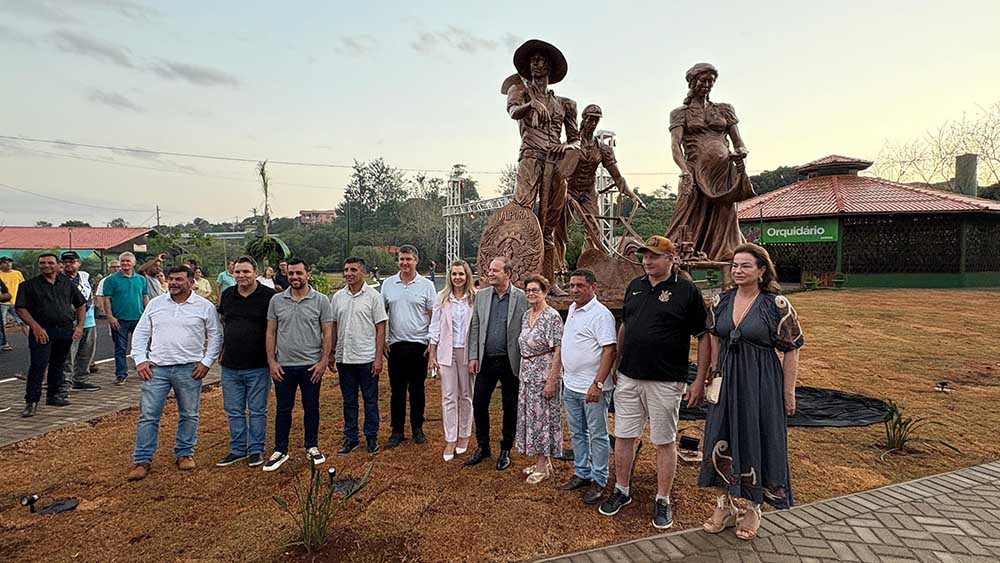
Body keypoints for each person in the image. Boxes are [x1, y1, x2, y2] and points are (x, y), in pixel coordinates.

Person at [687, 243, 803, 540]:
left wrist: (788, 392)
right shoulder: (721, 301)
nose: (738, 271)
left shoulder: (775, 305)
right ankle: (724, 504)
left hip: (761, 381)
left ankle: (754, 507)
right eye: (735, 266)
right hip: (726, 380)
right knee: (720, 435)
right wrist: (713, 368)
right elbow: (713, 334)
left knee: (758, 436)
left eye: (745, 266)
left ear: (762, 270)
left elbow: (792, 349)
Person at [598, 235, 711, 530]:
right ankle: (621, 489)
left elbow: (704, 336)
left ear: (671, 258)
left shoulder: (686, 290)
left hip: (665, 381)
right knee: (623, 436)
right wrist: (616, 362)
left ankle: (662, 498)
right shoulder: (635, 287)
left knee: (663, 441)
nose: (647, 261)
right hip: (629, 378)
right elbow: (626, 326)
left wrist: (699, 380)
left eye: (654, 256)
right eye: (645, 256)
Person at [126, 266, 223, 481]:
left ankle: (185, 453)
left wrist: (207, 362)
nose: (174, 283)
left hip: (189, 369)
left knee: (189, 413)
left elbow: (216, 336)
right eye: (171, 279)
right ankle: (142, 460)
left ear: (190, 282)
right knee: (148, 416)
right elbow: (142, 332)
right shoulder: (156, 304)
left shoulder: (204, 306)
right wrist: (140, 360)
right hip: (157, 369)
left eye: (179, 279)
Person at [506, 39, 579, 292]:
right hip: (530, 156)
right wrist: (530, 105)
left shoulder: (566, 104)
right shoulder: (520, 91)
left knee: (549, 222)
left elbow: (576, 140)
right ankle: (516, 277)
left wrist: (568, 147)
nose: (536, 64)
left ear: (549, 67)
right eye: (533, 61)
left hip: (555, 162)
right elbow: (513, 111)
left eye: (541, 61)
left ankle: (548, 281)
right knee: (522, 213)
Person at [665, 63, 755, 262]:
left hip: (723, 169)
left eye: (710, 82)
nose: (707, 85)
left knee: (725, 210)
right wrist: (684, 170)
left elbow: (739, 142)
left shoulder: (724, 109)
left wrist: (740, 152)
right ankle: (672, 252)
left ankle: (725, 251)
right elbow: (675, 146)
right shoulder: (680, 113)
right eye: (703, 81)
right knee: (687, 209)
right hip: (694, 168)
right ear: (692, 82)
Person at [263, 259, 333, 471]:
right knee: (283, 408)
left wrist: (323, 361)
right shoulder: (277, 300)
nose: (295, 277)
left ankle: (311, 446)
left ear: (307, 274)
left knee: (311, 408)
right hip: (284, 365)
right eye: (291, 273)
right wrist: (272, 362)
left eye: (299, 273)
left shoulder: (321, 300)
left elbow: (328, 332)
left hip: (311, 365)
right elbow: (271, 332)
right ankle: (280, 450)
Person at [558, 269, 618, 505]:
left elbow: (609, 350)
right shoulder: (573, 309)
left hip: (592, 388)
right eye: (571, 285)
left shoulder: (601, 315)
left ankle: (599, 479)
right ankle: (582, 472)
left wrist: (598, 383)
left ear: (593, 287)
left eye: (580, 286)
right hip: (571, 385)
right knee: (576, 432)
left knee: (598, 435)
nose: (574, 290)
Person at [465, 256, 529, 470]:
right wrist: (473, 356)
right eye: (489, 270)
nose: (490, 273)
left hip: (511, 361)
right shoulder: (481, 296)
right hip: (486, 360)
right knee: (479, 403)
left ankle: (506, 448)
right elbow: (475, 326)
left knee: (510, 406)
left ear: (507, 274)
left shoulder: (521, 297)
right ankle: (483, 446)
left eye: (495, 270)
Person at [216, 256, 276, 468]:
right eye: (237, 272)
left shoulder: (269, 296)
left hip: (258, 364)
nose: (241, 276)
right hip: (231, 365)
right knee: (234, 410)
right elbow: (223, 323)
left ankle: (255, 449)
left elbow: (274, 328)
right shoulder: (227, 295)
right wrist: (221, 350)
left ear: (256, 273)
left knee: (257, 410)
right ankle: (238, 449)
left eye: (246, 272)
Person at [15, 253, 86, 417]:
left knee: (58, 363)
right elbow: (20, 308)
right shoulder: (28, 285)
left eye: (50, 263)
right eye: (42, 263)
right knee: (38, 365)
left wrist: (80, 326)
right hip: (42, 331)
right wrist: (35, 327)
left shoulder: (67, 284)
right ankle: (31, 401)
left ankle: (54, 396)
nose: (46, 266)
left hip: (64, 329)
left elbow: (81, 304)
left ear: (58, 265)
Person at [330, 257, 387, 455]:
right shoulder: (338, 297)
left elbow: (381, 328)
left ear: (363, 272)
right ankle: (351, 438)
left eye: (353, 270)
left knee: (370, 400)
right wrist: (331, 352)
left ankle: (371, 437)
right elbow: (334, 326)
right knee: (349, 401)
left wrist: (378, 358)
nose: (349, 273)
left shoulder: (373, 296)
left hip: (367, 358)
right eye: (346, 270)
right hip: (345, 359)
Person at [380, 245, 436, 449]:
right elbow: (381, 315)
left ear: (416, 261)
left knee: (417, 390)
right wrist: (383, 340)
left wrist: (432, 342)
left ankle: (417, 428)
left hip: (419, 345)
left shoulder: (426, 286)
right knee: (397, 391)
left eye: (408, 259)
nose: (404, 263)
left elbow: (433, 315)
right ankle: (396, 431)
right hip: (396, 346)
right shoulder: (388, 284)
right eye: (401, 259)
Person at [514, 274, 564, 484]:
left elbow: (558, 350)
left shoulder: (552, 316)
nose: (531, 294)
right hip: (527, 373)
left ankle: (543, 465)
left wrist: (552, 380)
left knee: (544, 420)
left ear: (544, 292)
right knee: (531, 419)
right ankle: (541, 461)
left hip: (545, 373)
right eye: (528, 291)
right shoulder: (526, 315)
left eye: (535, 290)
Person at [428, 260, 476, 461]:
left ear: (467, 276)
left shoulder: (474, 298)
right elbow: (434, 326)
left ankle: (464, 436)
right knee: (449, 396)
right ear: (450, 276)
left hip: (467, 352)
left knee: (466, 395)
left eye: (461, 274)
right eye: (454, 274)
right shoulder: (442, 297)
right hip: (446, 353)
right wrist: (432, 354)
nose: (458, 278)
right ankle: (450, 439)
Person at [101, 252, 149, 385]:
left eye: (128, 261)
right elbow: (106, 299)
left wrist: (148, 315)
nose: (125, 264)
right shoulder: (111, 280)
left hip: (138, 318)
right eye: (123, 261)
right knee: (120, 348)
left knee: (142, 346)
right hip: (119, 319)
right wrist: (110, 317)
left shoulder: (141, 279)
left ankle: (145, 370)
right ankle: (121, 374)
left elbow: (145, 297)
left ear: (133, 263)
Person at [59, 251, 100, 394]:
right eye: (65, 262)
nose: (68, 264)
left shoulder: (85, 276)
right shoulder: (58, 279)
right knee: (68, 355)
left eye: (72, 261)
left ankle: (80, 380)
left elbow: (89, 296)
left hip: (88, 321)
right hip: (69, 323)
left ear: (79, 263)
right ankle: (64, 384)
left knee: (86, 352)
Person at [0, 256, 28, 341]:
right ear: (0, 265)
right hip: (2, 303)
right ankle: (5, 343)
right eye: (5, 262)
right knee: (2, 324)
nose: (8, 264)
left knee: (24, 321)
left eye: (9, 262)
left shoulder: (17, 273)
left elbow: (23, 286)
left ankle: (30, 340)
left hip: (17, 302)